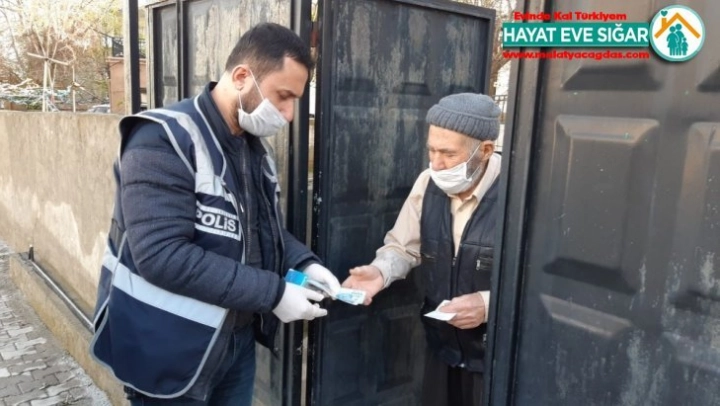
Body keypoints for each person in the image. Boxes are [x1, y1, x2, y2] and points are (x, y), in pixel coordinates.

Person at [90, 23, 341, 406]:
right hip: (166, 346)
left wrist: (305, 263)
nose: (290, 115)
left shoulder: (253, 151)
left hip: (233, 342)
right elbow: (161, 256)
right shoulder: (162, 139)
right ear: (241, 77)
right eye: (283, 96)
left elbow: (264, 231)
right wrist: (274, 293)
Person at [342, 93, 502, 406]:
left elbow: (547, 284)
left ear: (485, 150)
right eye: (431, 150)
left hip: (496, 359)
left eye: (449, 154)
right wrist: (380, 271)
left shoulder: (521, 190)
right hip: (443, 347)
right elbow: (403, 246)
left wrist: (488, 304)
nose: (436, 164)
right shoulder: (428, 182)